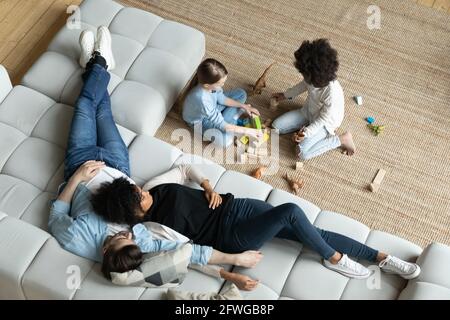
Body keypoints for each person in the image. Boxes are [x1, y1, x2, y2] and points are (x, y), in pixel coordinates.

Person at [48, 27, 263, 291]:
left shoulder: (78, 239)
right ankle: (99, 61)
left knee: (85, 107)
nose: (127, 234)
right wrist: (233, 265)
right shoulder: (138, 241)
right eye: (129, 238)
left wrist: (78, 178)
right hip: (118, 164)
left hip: (80, 165)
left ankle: (97, 62)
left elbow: (57, 214)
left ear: (105, 250)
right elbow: (188, 253)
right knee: (103, 110)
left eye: (120, 238)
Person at [92, 165, 421, 281]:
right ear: (133, 213)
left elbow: (184, 167)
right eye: (138, 198)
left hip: (237, 207)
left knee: (313, 231)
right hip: (232, 235)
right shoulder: (151, 229)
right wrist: (230, 268)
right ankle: (335, 259)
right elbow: (186, 254)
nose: (143, 194)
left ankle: (382, 259)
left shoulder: (155, 187)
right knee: (291, 211)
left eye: (137, 189)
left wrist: (207, 186)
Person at [271, 39, 356, 160]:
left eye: (305, 75)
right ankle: (306, 126)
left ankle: (341, 139)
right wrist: (285, 95)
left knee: (301, 153)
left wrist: (306, 133)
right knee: (276, 126)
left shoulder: (331, 93)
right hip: (308, 112)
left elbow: (323, 119)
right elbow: (302, 86)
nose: (304, 77)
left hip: (325, 124)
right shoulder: (311, 77)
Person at [182, 58, 263, 148]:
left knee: (241, 94)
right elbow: (222, 124)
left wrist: (244, 106)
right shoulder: (202, 100)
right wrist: (248, 131)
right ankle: (233, 121)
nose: (223, 85)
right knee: (226, 141)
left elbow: (222, 99)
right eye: (220, 83)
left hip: (212, 108)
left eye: (223, 82)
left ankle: (232, 120)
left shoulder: (209, 86)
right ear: (207, 85)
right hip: (200, 121)